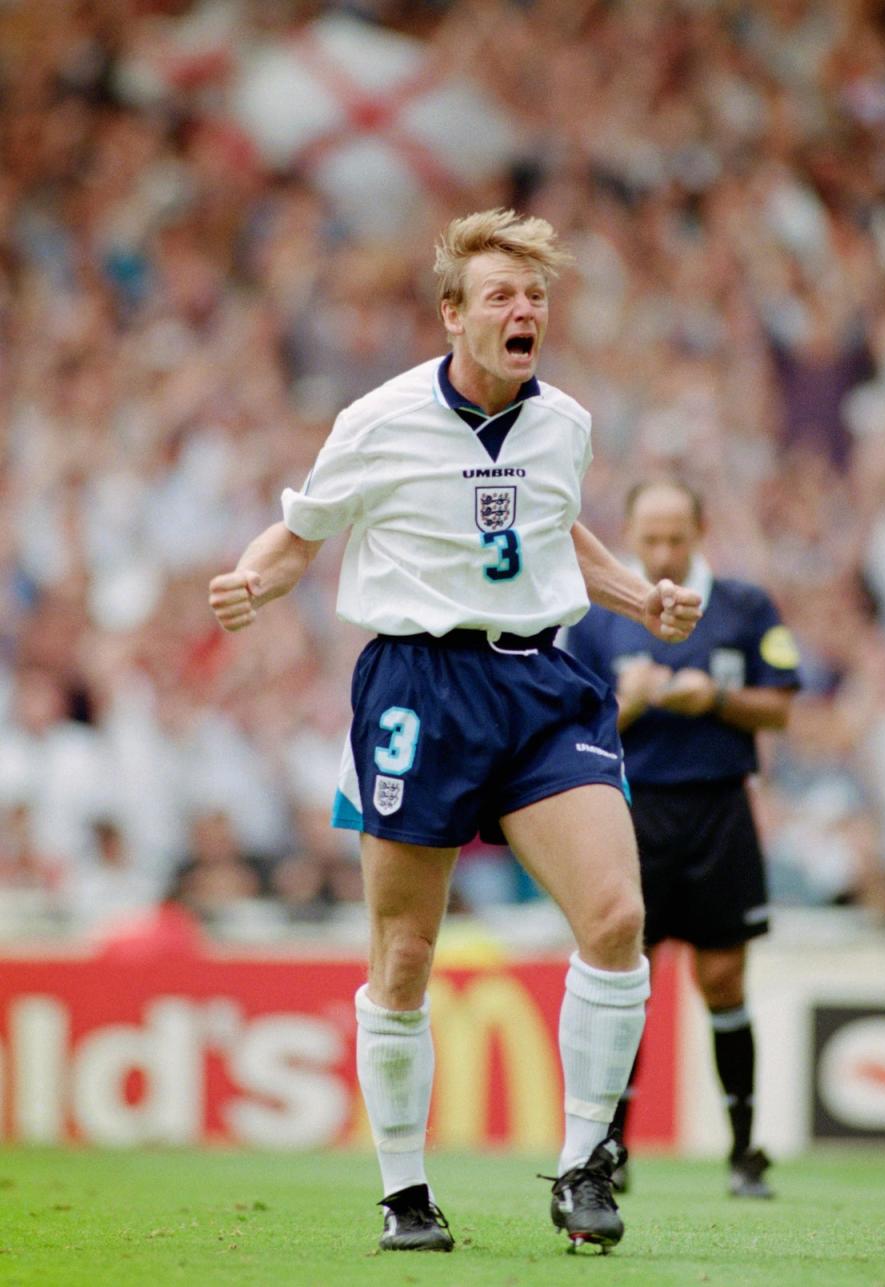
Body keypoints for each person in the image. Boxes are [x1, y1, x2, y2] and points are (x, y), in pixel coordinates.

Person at [209, 209, 702, 1255]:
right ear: (453, 315)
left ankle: (582, 1167)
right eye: (501, 296)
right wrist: (253, 580)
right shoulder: (377, 420)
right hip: (417, 688)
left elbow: (556, 525)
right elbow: (302, 534)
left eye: (536, 297)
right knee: (406, 951)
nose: (524, 311)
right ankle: (404, 1193)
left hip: (538, 680)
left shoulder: (562, 420)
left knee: (615, 915)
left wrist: (635, 598)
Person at [564, 479, 800, 1200]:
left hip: (720, 809)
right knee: (626, 980)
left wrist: (716, 698)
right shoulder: (598, 617)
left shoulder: (745, 606)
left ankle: (744, 1151)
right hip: (628, 814)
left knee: (723, 979)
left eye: (676, 536)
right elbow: (573, 724)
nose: (663, 550)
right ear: (629, 535)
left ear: (700, 530)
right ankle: (612, 1147)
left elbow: (782, 707)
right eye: (651, 537)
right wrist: (626, 705)